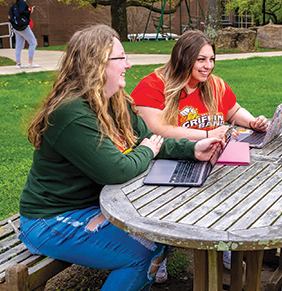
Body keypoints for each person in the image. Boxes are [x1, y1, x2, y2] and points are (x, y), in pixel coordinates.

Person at [18, 24, 223, 291]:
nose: (128, 64)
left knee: (160, 234)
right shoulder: (71, 113)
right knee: (140, 255)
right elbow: (116, 170)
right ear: (98, 64)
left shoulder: (115, 100)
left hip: (92, 206)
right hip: (50, 219)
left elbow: (151, 138)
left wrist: (192, 150)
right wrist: (146, 151)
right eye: (121, 58)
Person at [130, 29, 268, 141]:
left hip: (214, 156)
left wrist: (252, 122)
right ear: (183, 59)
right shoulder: (151, 87)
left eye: (212, 59)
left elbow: (234, 111)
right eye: (201, 60)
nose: (208, 66)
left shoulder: (216, 84)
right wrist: (208, 135)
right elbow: (157, 130)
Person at [12, 0, 39, 69]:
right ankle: (30, 62)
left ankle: (18, 64)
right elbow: (23, 13)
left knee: (19, 46)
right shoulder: (23, 3)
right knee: (33, 42)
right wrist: (30, 11)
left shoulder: (16, 4)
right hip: (23, 27)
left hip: (16, 27)